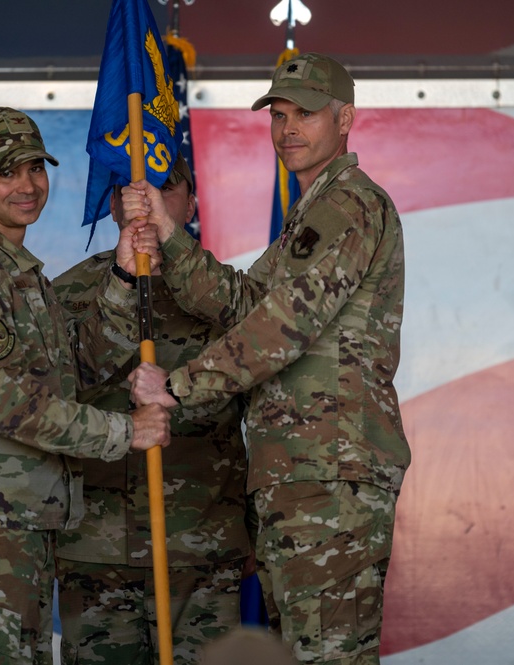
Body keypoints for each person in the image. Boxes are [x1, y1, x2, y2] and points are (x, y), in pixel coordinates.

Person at [124, 53, 410, 665]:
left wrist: (179, 386)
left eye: (305, 113)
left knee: (328, 653)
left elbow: (284, 326)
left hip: (332, 471)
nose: (288, 129)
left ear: (346, 119)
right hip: (300, 474)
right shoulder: (311, 215)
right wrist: (173, 236)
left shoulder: (350, 205)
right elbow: (243, 304)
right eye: (278, 115)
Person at [0, 107, 171, 665]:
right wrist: (128, 433)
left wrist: (121, 278)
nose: (27, 185)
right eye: (7, 172)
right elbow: (8, 405)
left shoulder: (18, 274)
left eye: (35, 168)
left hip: (17, 526)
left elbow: (76, 375)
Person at [52, 155, 253, 664]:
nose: (147, 197)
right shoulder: (69, 292)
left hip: (200, 547)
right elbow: (52, 394)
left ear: (190, 202)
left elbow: (267, 396)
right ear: (116, 202)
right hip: (96, 550)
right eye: (131, 187)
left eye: (166, 186)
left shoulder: (224, 296)